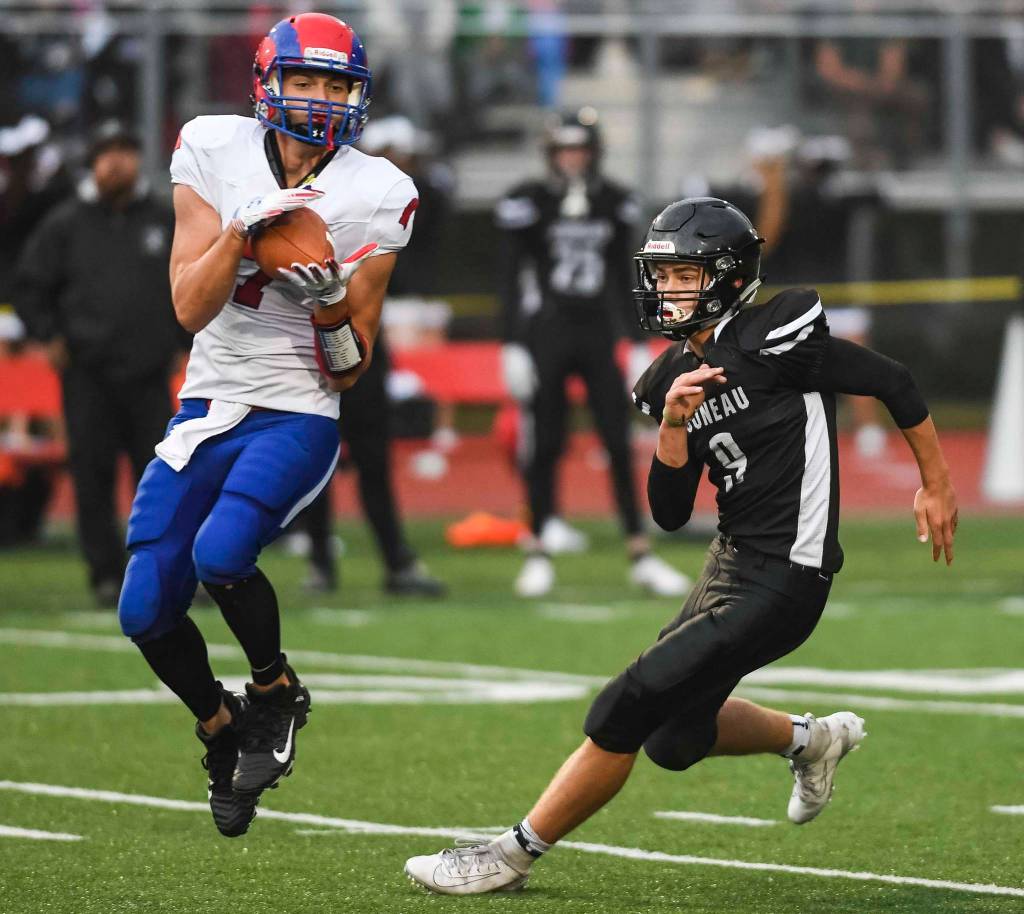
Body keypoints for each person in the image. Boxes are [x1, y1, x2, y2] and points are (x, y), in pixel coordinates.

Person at [404, 197, 958, 894]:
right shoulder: (669, 377)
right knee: (674, 738)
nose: (667, 289)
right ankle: (811, 739)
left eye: (685, 275)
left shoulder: (777, 336)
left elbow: (892, 380)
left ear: (729, 277)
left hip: (787, 576)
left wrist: (936, 484)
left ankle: (507, 857)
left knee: (625, 704)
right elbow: (668, 513)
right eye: (661, 276)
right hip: (728, 565)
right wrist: (671, 427)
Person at [115, 13, 418, 838]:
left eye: (336, 84)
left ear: (358, 95)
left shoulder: (379, 190)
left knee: (221, 553)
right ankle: (222, 727)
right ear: (267, 83)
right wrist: (240, 232)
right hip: (209, 403)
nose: (320, 98)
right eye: (304, 79)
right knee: (143, 609)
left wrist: (327, 305)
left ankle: (276, 692)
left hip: (297, 407)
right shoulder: (212, 147)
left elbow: (348, 367)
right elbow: (188, 307)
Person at [497, 107, 690, 598]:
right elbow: (511, 277)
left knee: (618, 443)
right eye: (564, 149)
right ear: (551, 153)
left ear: (594, 153)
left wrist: (639, 340)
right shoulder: (531, 199)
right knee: (545, 444)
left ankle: (640, 552)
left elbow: (627, 276)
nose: (572, 158)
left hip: (598, 331)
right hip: (548, 331)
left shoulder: (615, 200)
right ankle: (538, 549)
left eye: (580, 149)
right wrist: (512, 342)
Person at [13, 120, 181, 606]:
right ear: (92, 162)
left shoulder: (162, 219)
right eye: (107, 152)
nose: (117, 162)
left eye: (126, 150)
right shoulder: (65, 224)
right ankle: (106, 574)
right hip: (88, 373)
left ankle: (168, 571)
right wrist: (48, 335)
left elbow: (191, 280)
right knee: (93, 476)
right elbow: (29, 285)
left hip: (149, 373)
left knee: (163, 477)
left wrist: (183, 338)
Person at [296, 115, 448, 596]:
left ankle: (395, 561)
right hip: (310, 340)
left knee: (373, 459)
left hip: (362, 338)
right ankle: (320, 561)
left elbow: (430, 205)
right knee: (314, 460)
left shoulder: (385, 199)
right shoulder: (307, 192)